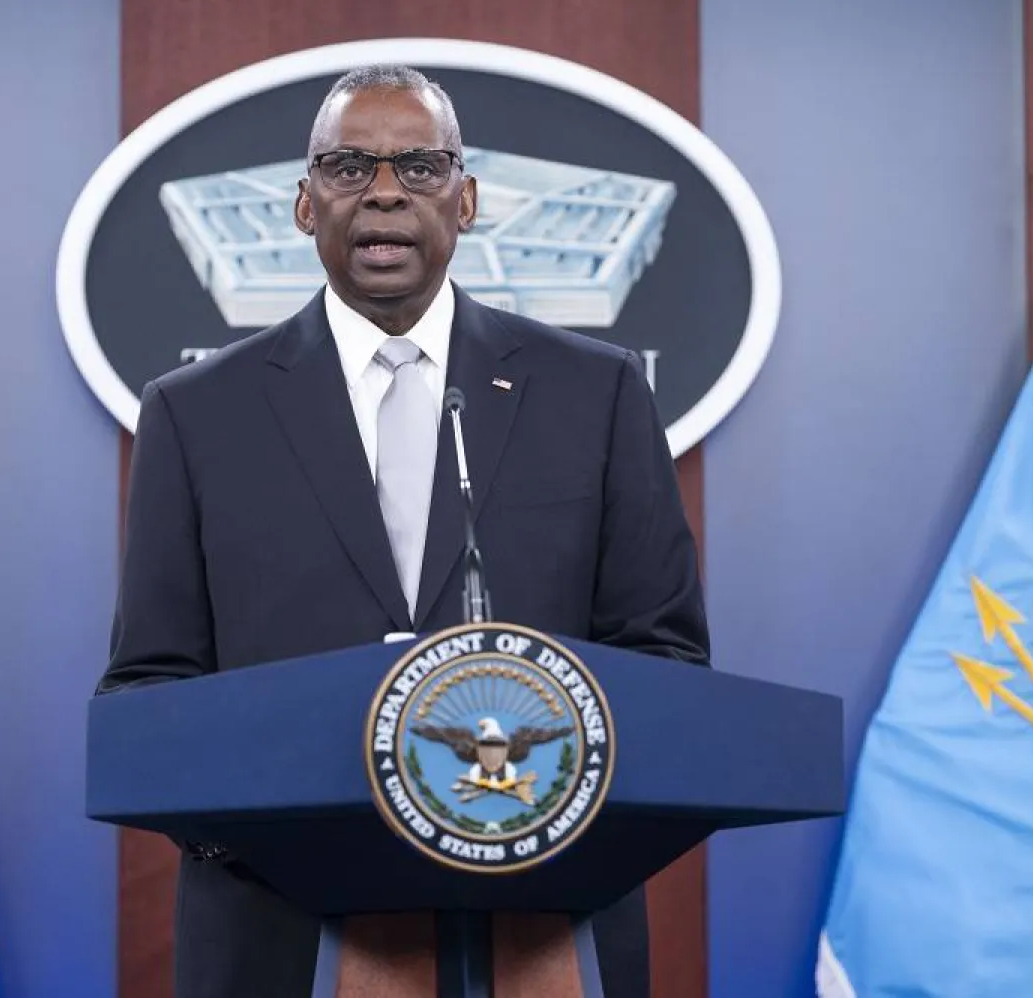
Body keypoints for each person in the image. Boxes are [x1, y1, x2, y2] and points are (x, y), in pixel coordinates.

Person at [98, 63, 710, 998]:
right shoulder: (196, 415)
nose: (384, 191)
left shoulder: (597, 393)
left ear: (466, 201)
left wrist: (549, 810)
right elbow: (148, 690)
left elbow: (664, 658)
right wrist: (280, 839)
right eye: (349, 167)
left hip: (540, 924)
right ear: (305, 207)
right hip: (283, 933)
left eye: (419, 167)